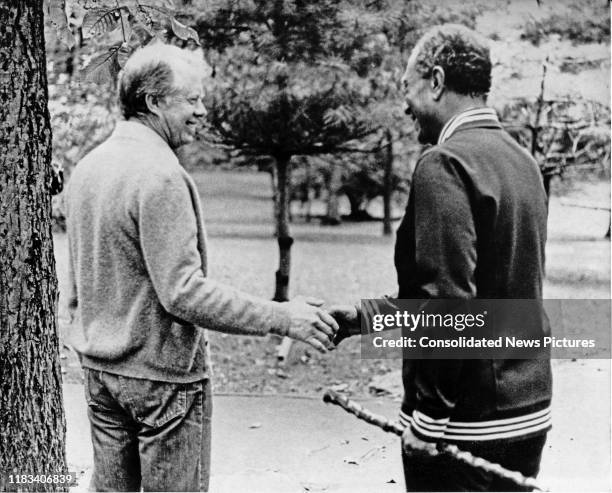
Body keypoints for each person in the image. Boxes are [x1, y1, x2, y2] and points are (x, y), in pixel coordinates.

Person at [65, 43, 338, 492]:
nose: (203, 110)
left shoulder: (90, 168)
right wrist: (284, 317)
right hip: (163, 386)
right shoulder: (161, 174)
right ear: (153, 101)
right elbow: (184, 293)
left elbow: (76, 285)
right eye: (191, 100)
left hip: (101, 377)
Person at [331, 24, 552, 491]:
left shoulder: (444, 164)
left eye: (406, 89)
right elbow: (489, 288)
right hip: (529, 413)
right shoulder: (523, 161)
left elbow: (449, 303)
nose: (403, 105)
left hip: (467, 425)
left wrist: (429, 418)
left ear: (435, 80)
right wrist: (360, 318)